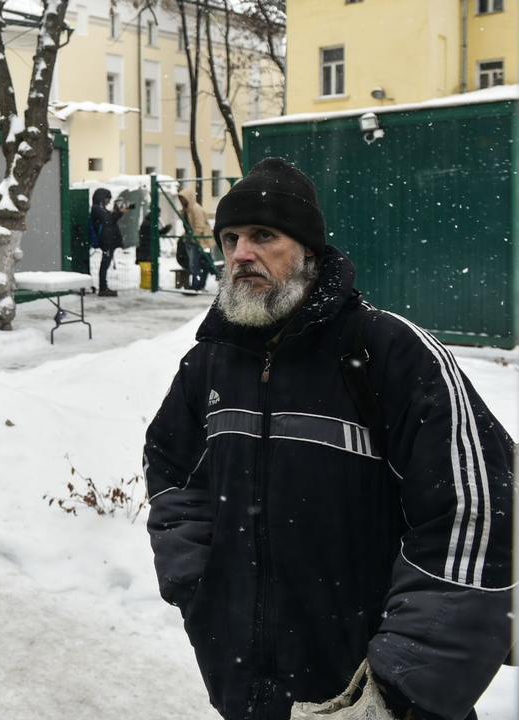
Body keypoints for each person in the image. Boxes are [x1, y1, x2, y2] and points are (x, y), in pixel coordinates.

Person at [144, 157, 514, 720]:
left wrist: (401, 687)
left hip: (373, 695)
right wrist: (202, 592)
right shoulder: (209, 365)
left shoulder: (388, 353)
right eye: (230, 238)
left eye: (264, 235)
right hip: (248, 693)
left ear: (309, 253)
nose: (242, 252)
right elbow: (172, 478)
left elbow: (476, 518)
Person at [90, 187, 129, 297]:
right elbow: (108, 220)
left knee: (105, 264)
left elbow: (109, 219)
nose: (108, 201)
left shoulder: (100, 209)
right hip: (106, 241)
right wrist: (119, 213)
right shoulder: (97, 209)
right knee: (105, 264)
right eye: (107, 199)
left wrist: (116, 212)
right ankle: (103, 288)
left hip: (108, 241)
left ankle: (104, 287)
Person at [177, 185, 216, 291]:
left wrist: (194, 236)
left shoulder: (195, 209)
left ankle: (197, 284)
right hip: (191, 240)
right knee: (198, 263)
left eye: (183, 199)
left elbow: (199, 225)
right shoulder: (186, 210)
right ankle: (198, 284)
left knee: (196, 264)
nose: (181, 201)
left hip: (199, 240)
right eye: (180, 199)